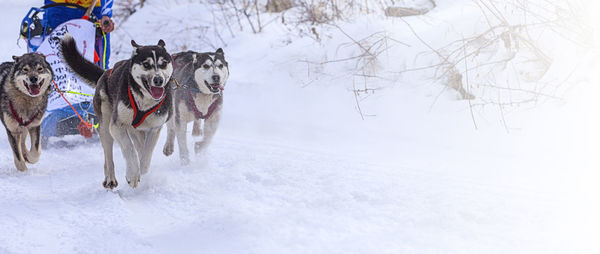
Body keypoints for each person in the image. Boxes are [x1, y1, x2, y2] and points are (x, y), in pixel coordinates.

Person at [44, 0, 115, 69]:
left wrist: (106, 13)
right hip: (59, 7)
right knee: (54, 59)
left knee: (99, 64)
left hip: (95, 8)